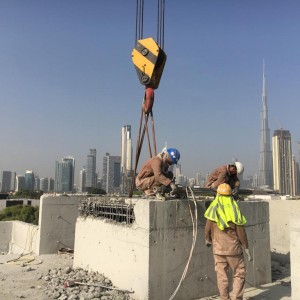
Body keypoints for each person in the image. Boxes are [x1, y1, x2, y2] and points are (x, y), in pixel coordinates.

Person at [204, 183, 252, 300]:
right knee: (239, 274)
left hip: (218, 250)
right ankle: (236, 298)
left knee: (222, 277)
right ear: (230, 195)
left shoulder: (213, 209)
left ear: (218, 195)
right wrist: (246, 248)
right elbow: (241, 232)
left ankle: (224, 298)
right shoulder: (234, 209)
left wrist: (208, 239)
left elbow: (207, 229)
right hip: (234, 250)